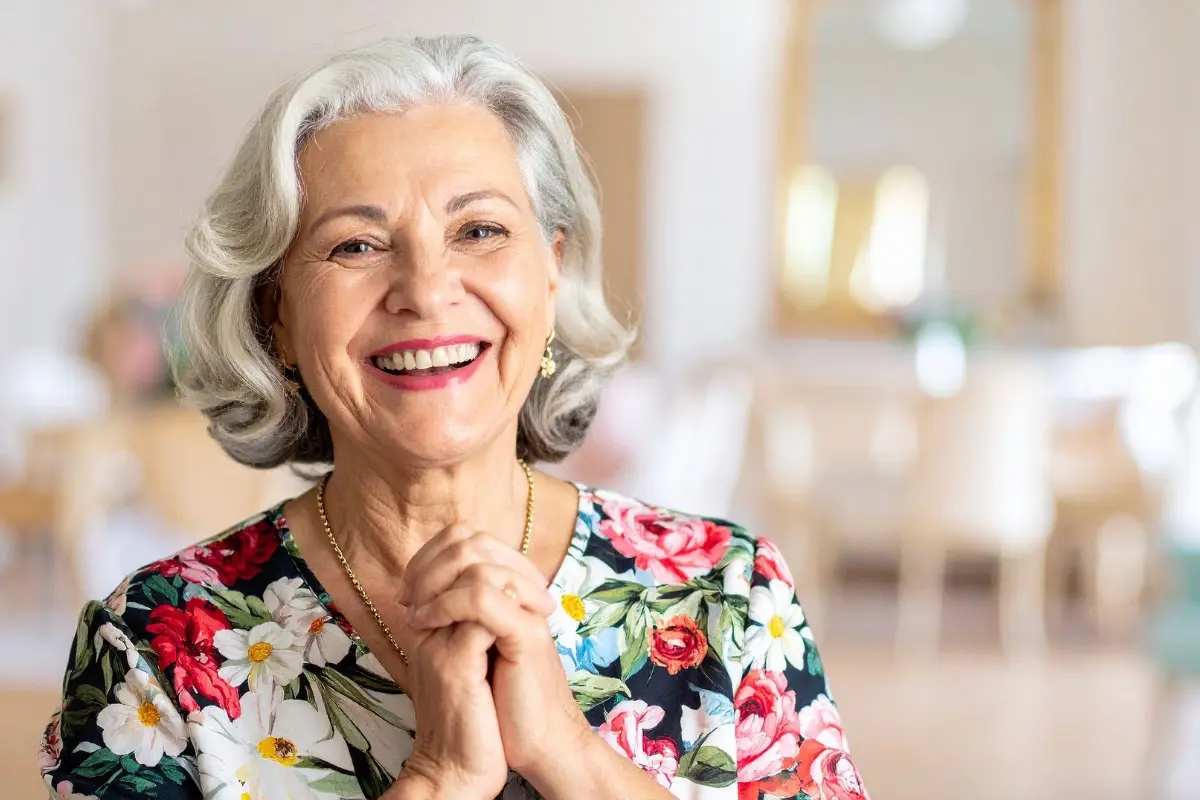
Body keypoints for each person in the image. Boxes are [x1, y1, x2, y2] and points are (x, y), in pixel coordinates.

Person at [39, 35, 869, 800]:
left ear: (551, 273)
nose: (428, 290)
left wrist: (568, 755)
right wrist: (440, 781)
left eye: (479, 230)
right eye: (357, 245)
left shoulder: (729, 594)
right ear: (276, 313)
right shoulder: (149, 647)